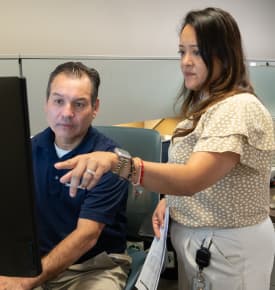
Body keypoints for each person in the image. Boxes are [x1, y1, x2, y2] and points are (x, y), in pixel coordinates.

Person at [55, 7, 275, 290]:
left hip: (228, 250)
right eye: (182, 52)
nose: (186, 62)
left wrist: (118, 163)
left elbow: (194, 178)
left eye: (196, 52)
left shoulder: (238, 107)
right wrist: (171, 201)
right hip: (204, 247)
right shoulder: (207, 105)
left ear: (223, 53)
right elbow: (200, 177)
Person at [0, 62, 131, 290]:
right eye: (58, 101)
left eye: (79, 104)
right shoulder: (25, 151)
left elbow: (87, 236)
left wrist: (25, 282)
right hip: (36, 263)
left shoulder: (111, 162)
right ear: (46, 103)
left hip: (92, 267)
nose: (67, 113)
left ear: (95, 107)